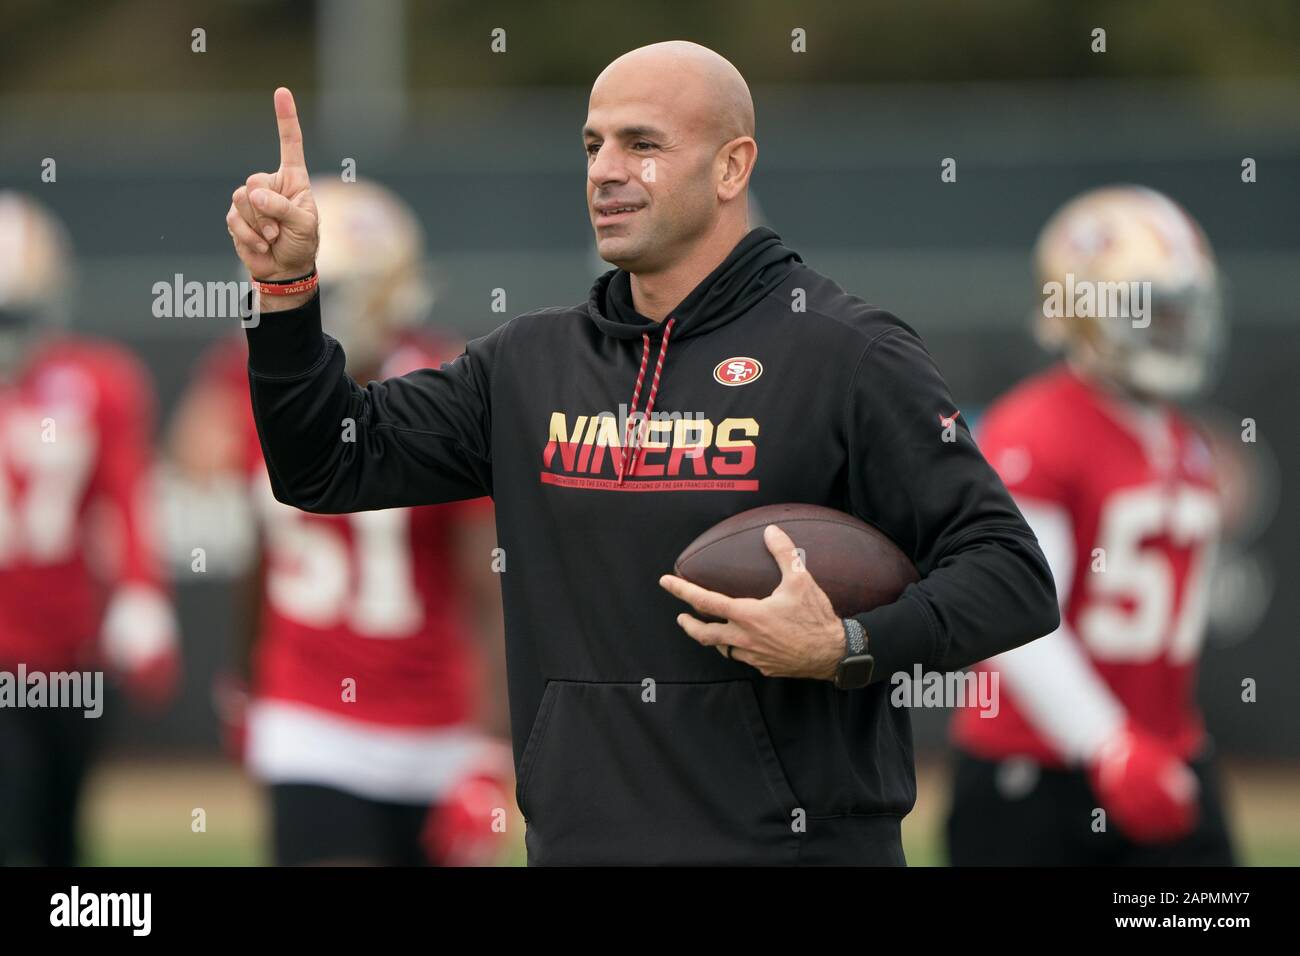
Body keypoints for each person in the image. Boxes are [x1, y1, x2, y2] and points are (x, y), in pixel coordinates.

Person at [224, 41, 1057, 865]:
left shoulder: (847, 354)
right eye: (594, 145)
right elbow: (324, 466)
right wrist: (288, 294)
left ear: (732, 168)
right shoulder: (527, 364)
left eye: (643, 144)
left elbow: (1012, 575)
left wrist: (847, 644)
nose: (605, 170)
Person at [175, 179, 510, 866]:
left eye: (336, 290)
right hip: (308, 720)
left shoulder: (445, 387)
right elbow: (260, 552)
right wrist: (248, 685)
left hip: (434, 730)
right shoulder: (249, 382)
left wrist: (488, 749)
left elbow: (491, 587)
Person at [946, 185, 1236, 865]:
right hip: (1040, 771)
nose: (1171, 326)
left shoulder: (1180, 437)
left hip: (1165, 750)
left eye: (1179, 308)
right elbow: (1019, 621)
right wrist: (1109, 744)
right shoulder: (1038, 428)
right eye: (1148, 308)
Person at [0, 192, 179, 865]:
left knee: (58, 833)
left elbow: (126, 493)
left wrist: (141, 593)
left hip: (68, 650)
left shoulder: (98, 380)